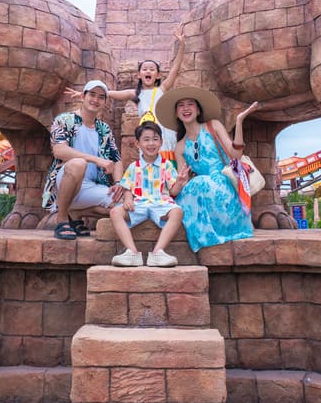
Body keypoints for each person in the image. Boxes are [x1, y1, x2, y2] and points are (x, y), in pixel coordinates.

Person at [156, 87, 258, 252]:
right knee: (190, 189)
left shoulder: (213, 126)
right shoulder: (180, 146)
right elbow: (184, 180)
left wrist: (239, 122)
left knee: (199, 183)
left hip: (224, 184)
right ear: (176, 113)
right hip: (202, 189)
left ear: (198, 110)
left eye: (190, 104)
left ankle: (219, 229)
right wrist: (179, 182)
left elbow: (236, 155)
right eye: (181, 105)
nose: (186, 108)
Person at [67, 27, 185, 160]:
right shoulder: (135, 93)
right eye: (145, 69)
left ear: (158, 75)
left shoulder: (162, 89)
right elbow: (108, 93)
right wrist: (84, 93)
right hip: (147, 132)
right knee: (149, 162)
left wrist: (182, 45)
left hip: (164, 133)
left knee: (166, 163)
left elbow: (175, 69)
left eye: (152, 69)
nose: (148, 71)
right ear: (139, 75)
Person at [44, 80, 124, 240]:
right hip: (65, 183)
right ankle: (62, 219)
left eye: (101, 97)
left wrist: (118, 183)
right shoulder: (64, 120)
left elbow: (116, 159)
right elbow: (59, 150)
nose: (96, 99)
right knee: (78, 164)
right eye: (92, 95)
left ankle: (76, 212)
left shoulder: (104, 129)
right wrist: (96, 160)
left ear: (105, 102)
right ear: (83, 96)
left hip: (90, 187)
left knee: (126, 206)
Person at [109, 121, 187, 267]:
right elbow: (127, 187)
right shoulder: (134, 167)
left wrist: (179, 182)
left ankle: (158, 252)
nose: (151, 143)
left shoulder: (167, 165)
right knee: (115, 212)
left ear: (161, 142)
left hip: (161, 203)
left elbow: (173, 191)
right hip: (139, 204)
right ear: (138, 144)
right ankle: (132, 252)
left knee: (177, 212)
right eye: (146, 139)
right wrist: (128, 198)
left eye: (155, 139)